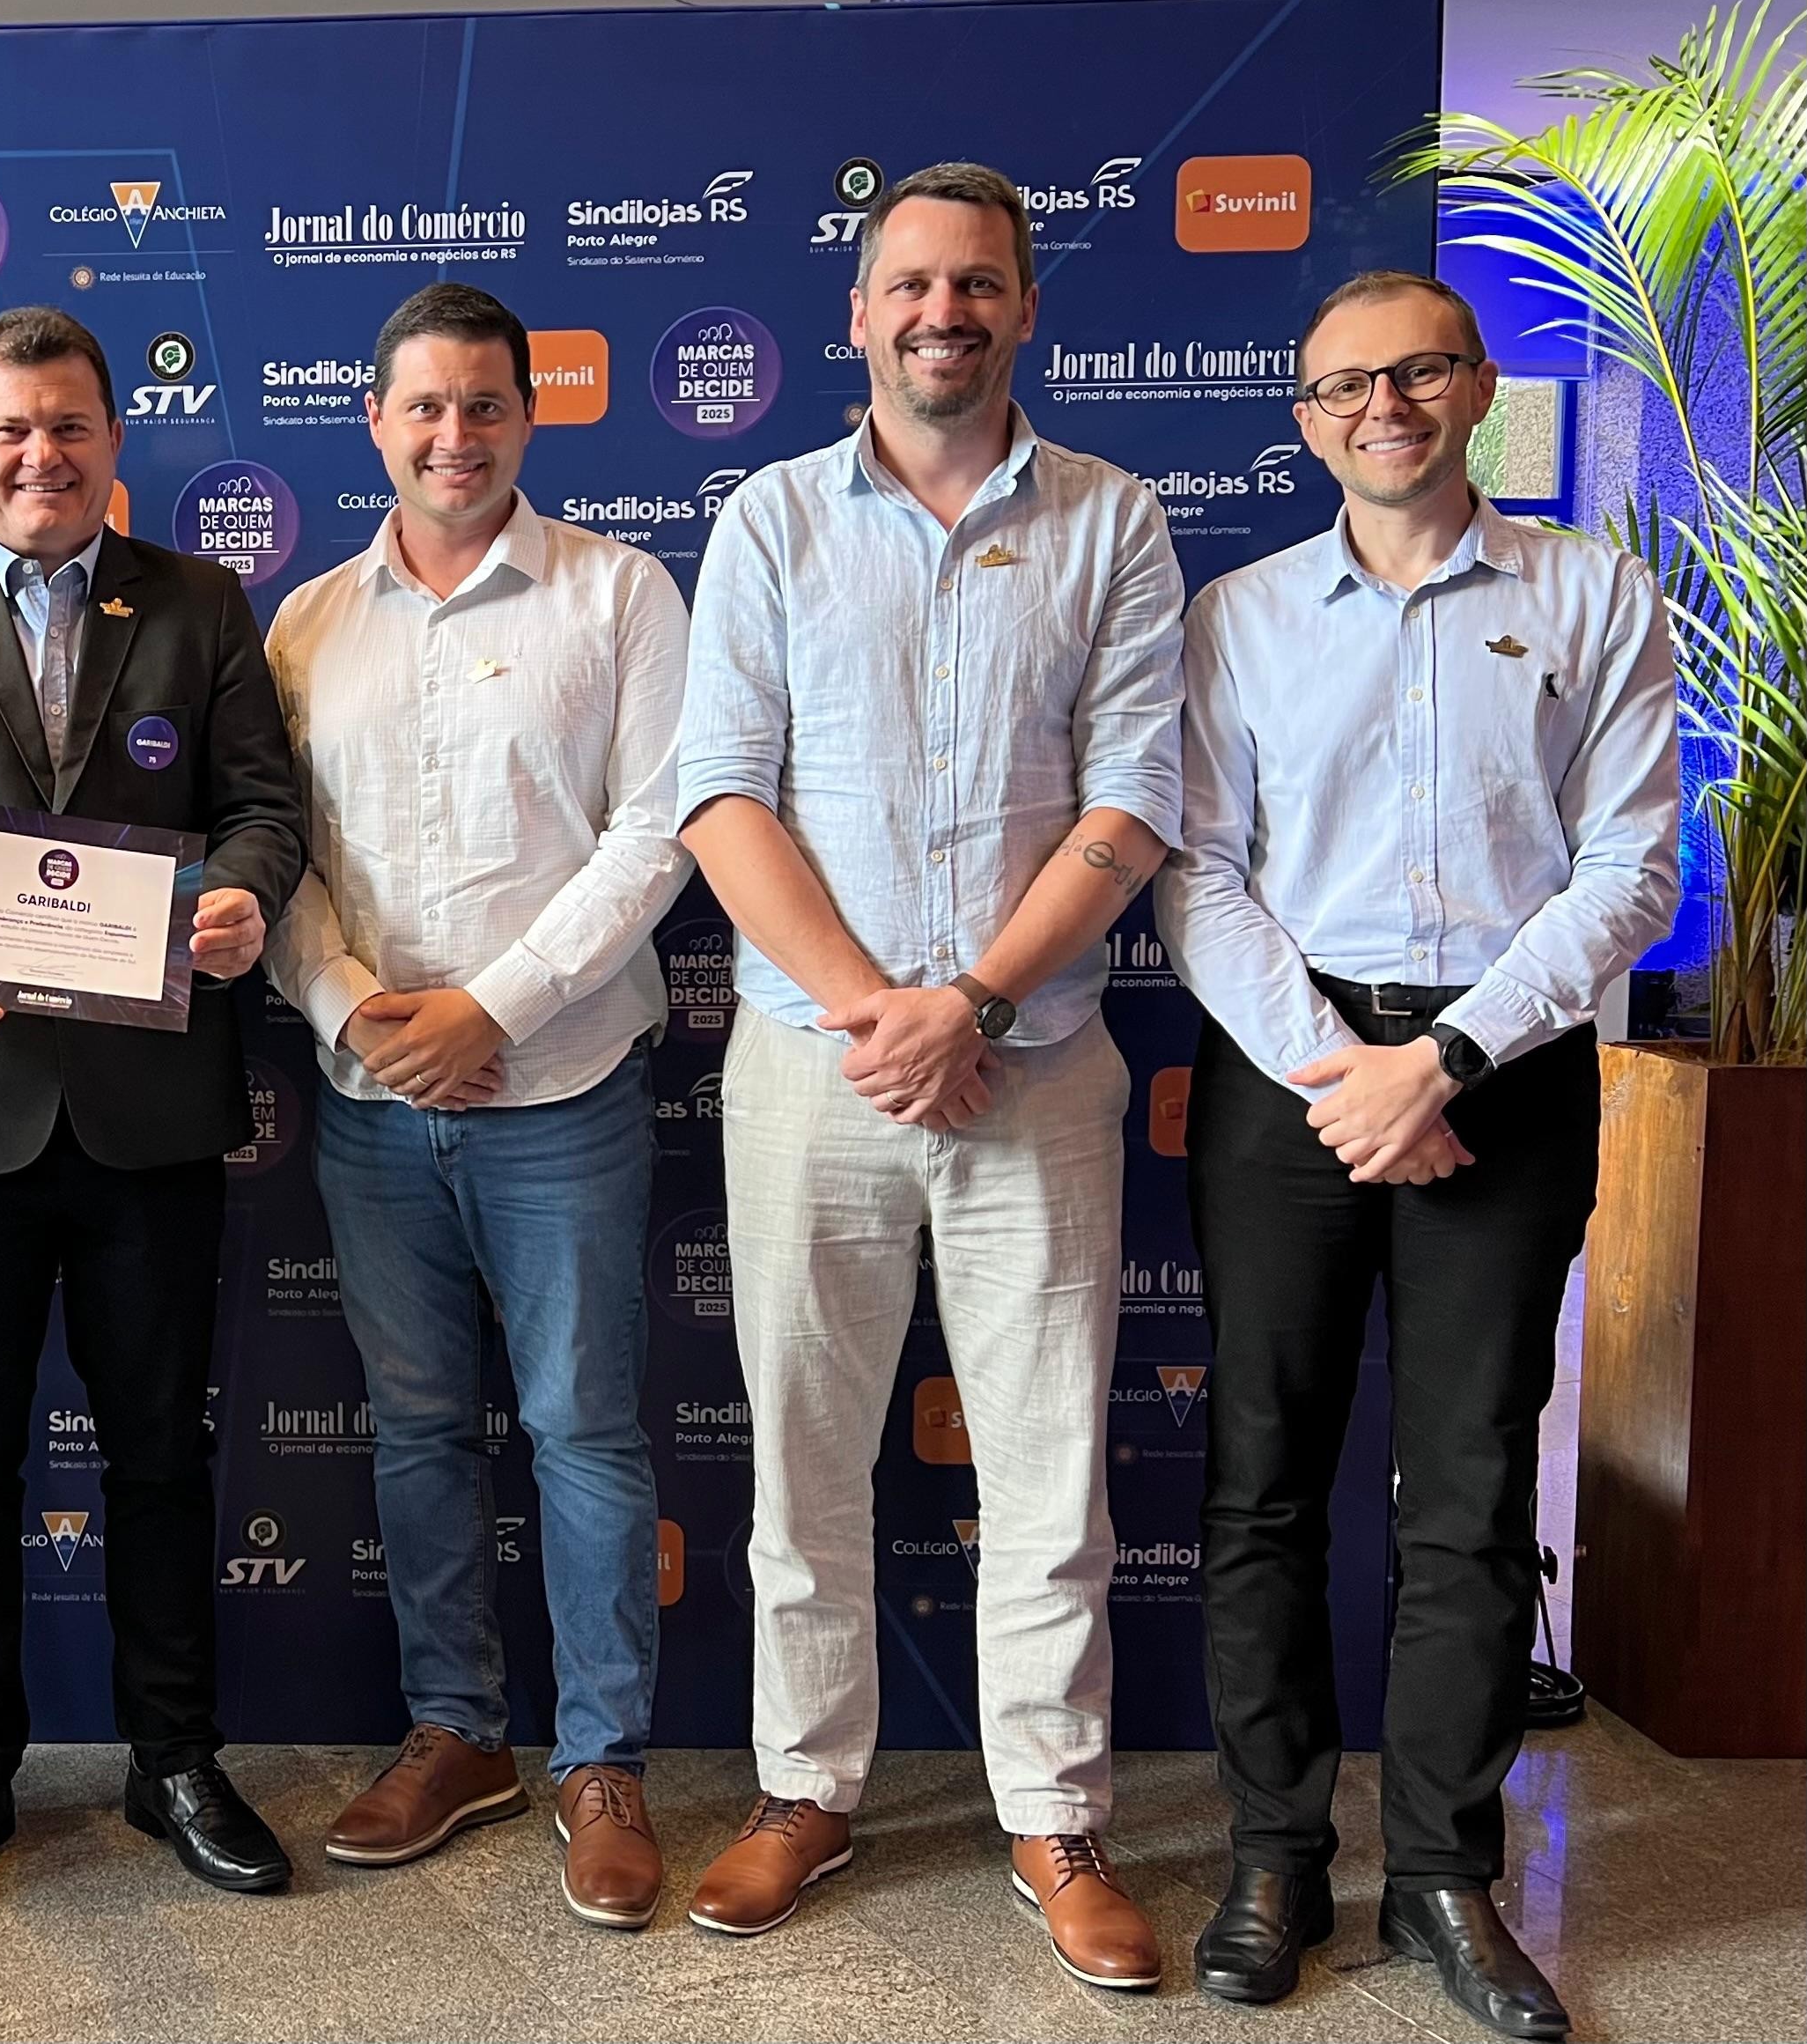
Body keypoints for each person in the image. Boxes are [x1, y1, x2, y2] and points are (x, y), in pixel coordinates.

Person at [674, 164, 1181, 1990]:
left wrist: (967, 998)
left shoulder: (1113, 520)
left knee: (1046, 1467)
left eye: (975, 283)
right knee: (800, 1457)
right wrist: (879, 1012)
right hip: (815, 1068)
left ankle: (1051, 1814)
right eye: (909, 284)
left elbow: (1134, 798)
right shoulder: (767, 520)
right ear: (859, 313)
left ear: (1024, 308)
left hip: (1033, 1067)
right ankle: (802, 1787)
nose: (940, 312)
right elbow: (716, 794)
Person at [1157, 270, 1678, 2040]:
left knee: (1465, 1491)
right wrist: (1347, 1074)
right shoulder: (1236, 615)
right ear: (1304, 418)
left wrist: (1445, 1059)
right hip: (1288, 1078)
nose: (1382, 405)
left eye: (1419, 371)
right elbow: (1195, 869)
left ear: (1472, 390)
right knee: (1261, 1480)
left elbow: (1630, 868)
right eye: (1344, 384)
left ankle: (1445, 1875)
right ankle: (1274, 1854)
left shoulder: (1587, 592)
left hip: (1502, 1073)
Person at [0, 305, 306, 1917]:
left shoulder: (200, 601)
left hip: (149, 1112)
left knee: (159, 1452)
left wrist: (240, 896)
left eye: (69, 427)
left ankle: (175, 1760)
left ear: (111, 442)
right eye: (10, 430)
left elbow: (260, 808)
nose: (41, 456)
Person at [265, 283, 690, 1929]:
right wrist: (353, 1013)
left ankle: (602, 1761)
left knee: (582, 1429)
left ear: (531, 412)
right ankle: (458, 1733)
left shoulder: (620, 593)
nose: (455, 436)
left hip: (561, 1087)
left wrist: (487, 1010)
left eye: (486, 405)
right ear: (375, 420)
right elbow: (276, 853)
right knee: (418, 1429)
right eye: (425, 407)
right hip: (369, 1098)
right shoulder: (306, 624)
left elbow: (656, 836)